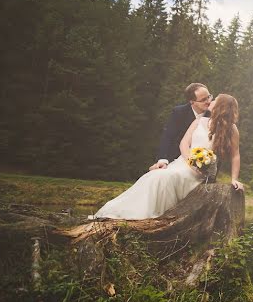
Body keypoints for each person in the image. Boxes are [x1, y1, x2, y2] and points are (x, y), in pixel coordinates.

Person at [93, 94, 244, 220]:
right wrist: (190, 161)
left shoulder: (231, 129)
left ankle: (155, 216)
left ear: (221, 107)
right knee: (155, 176)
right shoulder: (199, 121)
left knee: (167, 178)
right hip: (184, 162)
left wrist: (234, 179)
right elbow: (184, 144)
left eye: (215, 100)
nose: (210, 101)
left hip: (203, 171)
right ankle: (129, 211)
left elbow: (235, 155)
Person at [148, 83, 213, 171]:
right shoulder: (179, 112)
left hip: (204, 162)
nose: (208, 101)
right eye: (203, 100)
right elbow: (168, 136)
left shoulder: (213, 115)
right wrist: (163, 160)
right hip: (177, 158)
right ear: (192, 101)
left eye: (209, 97)